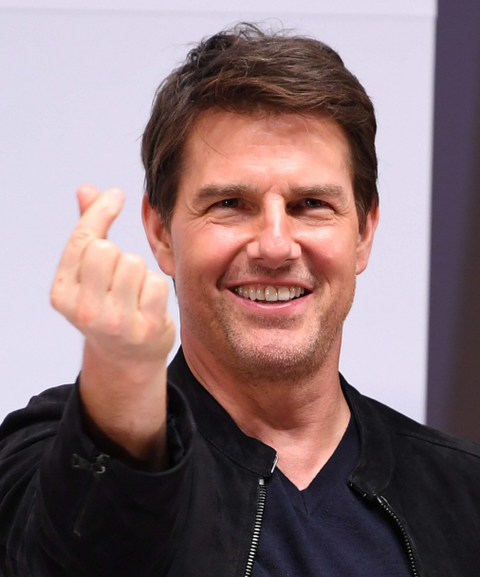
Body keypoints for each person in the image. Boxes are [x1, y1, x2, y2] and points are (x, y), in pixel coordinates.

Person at [1, 23, 480, 577]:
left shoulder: (463, 495)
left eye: (310, 204)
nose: (275, 246)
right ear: (160, 232)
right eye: (230, 203)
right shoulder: (43, 457)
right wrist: (124, 386)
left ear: (364, 232)